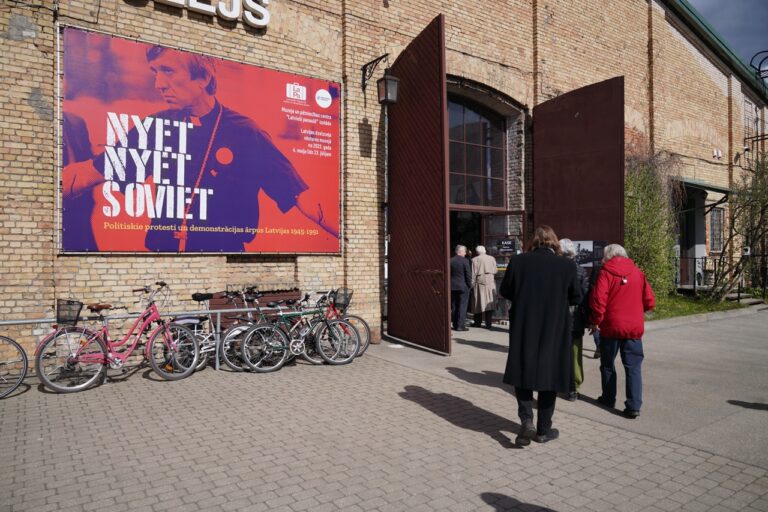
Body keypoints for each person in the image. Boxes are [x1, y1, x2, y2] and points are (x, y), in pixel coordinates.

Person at [62, 45, 338, 252]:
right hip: (164, 260)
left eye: (168, 71)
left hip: (223, 262)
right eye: (155, 73)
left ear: (203, 77)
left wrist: (351, 238)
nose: (159, 84)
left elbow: (303, 197)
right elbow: (89, 173)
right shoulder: (156, 127)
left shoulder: (245, 131)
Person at [499, 226, 582, 445]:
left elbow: (505, 291)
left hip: (525, 325)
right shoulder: (566, 265)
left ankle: (527, 421)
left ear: (532, 242)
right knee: (550, 377)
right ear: (554, 242)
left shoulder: (519, 262)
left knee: (523, 373)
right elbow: (576, 296)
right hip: (554, 328)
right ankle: (544, 430)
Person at [588, 244, 655, 419]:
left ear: (607, 256)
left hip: (611, 328)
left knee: (608, 364)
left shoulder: (605, 273)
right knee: (633, 367)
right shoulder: (637, 272)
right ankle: (633, 406)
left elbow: (598, 301)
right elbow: (649, 300)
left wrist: (595, 322)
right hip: (633, 329)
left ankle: (609, 399)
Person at [559, 238, 590, 401]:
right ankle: (575, 387)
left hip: (557, 318)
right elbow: (585, 295)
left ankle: (559, 382)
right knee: (575, 353)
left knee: (557, 352)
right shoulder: (580, 270)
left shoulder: (555, 269)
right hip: (575, 318)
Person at [471, 245, 498, 329]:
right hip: (490, 282)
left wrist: (471, 284)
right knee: (489, 303)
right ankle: (488, 324)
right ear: (485, 251)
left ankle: (477, 323)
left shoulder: (474, 260)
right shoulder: (492, 258)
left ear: (477, 252)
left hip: (479, 282)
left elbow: (473, 273)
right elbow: (495, 270)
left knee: (478, 302)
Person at [450, 245, 473, 331]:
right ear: (460, 251)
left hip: (453, 286)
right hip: (463, 286)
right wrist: (469, 285)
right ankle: (460, 326)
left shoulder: (450, 260)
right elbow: (468, 274)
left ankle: (455, 324)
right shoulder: (465, 261)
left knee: (454, 306)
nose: (465, 253)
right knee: (462, 306)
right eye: (464, 251)